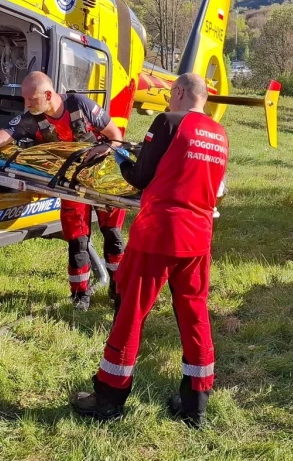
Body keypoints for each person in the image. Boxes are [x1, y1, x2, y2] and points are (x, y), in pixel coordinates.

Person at [69, 73, 228, 427]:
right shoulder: (220, 135)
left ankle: (108, 398)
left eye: (172, 95)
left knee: (130, 312)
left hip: (159, 234)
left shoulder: (168, 122)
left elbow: (140, 177)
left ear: (181, 92)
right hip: (198, 237)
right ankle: (195, 404)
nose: (169, 101)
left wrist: (119, 155)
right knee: (194, 314)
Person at [0, 71, 126, 311]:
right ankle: (80, 297)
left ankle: (119, 291)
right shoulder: (31, 119)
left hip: (103, 180)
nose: (27, 105)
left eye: (31, 99)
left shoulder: (80, 106)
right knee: (77, 241)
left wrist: (105, 148)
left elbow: (116, 136)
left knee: (113, 238)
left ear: (48, 94)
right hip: (71, 187)